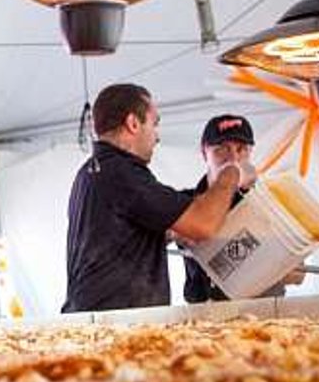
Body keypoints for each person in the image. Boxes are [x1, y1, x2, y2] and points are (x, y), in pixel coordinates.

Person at [63, 84, 250, 313]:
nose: (157, 136)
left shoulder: (94, 171)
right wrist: (232, 174)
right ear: (133, 123)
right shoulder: (121, 173)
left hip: (103, 319)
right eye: (154, 123)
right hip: (115, 325)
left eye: (242, 149)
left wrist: (169, 232)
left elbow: (121, 238)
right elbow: (204, 224)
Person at [182, 114, 304, 302]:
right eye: (221, 149)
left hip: (262, 312)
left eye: (241, 149)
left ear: (250, 152)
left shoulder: (272, 202)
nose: (233, 158)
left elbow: (298, 275)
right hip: (204, 314)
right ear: (204, 152)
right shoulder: (184, 201)